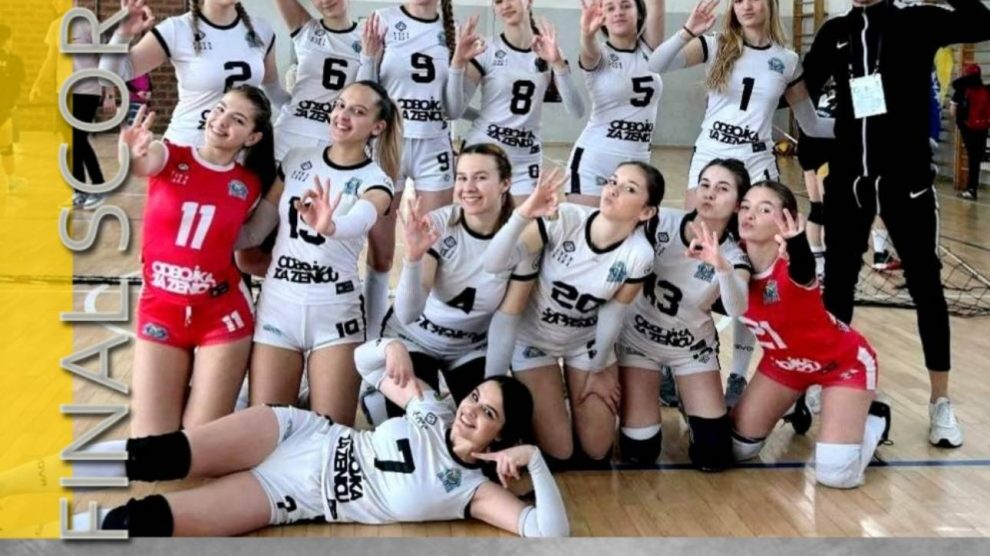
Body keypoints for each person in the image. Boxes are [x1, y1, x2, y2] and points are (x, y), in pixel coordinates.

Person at [92, 341, 568, 538]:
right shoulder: (431, 408)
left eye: (488, 413)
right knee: (163, 455)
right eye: (475, 397)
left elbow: (550, 532)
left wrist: (533, 459)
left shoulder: (473, 492)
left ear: (502, 436)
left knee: (146, 520)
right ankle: (45, 471)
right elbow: (364, 363)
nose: (470, 410)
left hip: (294, 494)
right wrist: (392, 346)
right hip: (296, 435)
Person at [801, 0, 990, 448]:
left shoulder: (917, 20)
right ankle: (830, 377)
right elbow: (800, 88)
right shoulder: (835, 32)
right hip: (849, 180)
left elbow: (983, 22)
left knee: (926, 285)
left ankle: (940, 401)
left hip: (907, 181)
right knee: (839, 285)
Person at [647, 0, 833, 410]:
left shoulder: (787, 60)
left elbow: (812, 123)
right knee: (691, 260)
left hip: (757, 166)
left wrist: (874, 123)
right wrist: (688, 30)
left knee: (752, 273)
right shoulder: (716, 44)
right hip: (710, 163)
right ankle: (671, 357)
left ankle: (738, 374)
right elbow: (654, 65)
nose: (746, 5)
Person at [121, 85, 276, 436]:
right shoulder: (170, 154)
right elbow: (142, 163)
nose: (221, 121)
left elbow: (247, 236)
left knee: (199, 441)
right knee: (151, 441)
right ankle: (210, 399)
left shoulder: (249, 184)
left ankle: (223, 402)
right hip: (161, 308)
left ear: (252, 138)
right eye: (220, 110)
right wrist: (130, 152)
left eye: (237, 120)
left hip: (221, 314)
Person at [483, 162, 659, 468]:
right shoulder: (566, 218)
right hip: (535, 340)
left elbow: (614, 313)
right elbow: (494, 263)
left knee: (597, 452)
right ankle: (544, 407)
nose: (613, 190)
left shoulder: (639, 254)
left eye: (629, 189)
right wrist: (523, 214)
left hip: (585, 343)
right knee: (559, 453)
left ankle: (565, 396)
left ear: (646, 212)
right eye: (612, 181)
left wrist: (598, 368)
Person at [244, 81, 399, 426]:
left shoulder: (377, 180)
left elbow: (361, 219)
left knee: (331, 433)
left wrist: (331, 226)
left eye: (357, 111)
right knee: (268, 427)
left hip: (335, 314)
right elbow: (255, 231)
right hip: (279, 306)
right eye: (340, 105)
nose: (342, 115)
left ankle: (314, 399)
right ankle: (301, 400)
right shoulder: (297, 159)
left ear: (377, 127)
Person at [730, 180, 890, 489]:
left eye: (764, 209)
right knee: (737, 450)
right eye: (746, 207)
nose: (749, 215)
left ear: (787, 219)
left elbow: (803, 270)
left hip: (842, 365)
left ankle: (876, 417)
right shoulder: (732, 259)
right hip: (783, 365)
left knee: (836, 475)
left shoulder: (792, 261)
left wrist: (797, 240)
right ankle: (794, 403)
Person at [361, 143, 532, 426]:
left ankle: (447, 398)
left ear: (505, 183)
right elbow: (408, 313)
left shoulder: (522, 238)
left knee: (491, 428)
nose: (468, 187)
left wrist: (491, 389)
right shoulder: (439, 224)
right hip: (414, 339)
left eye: (480, 177)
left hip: (470, 348)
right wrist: (413, 259)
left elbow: (507, 322)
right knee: (418, 423)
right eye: (462, 178)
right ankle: (378, 394)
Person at [616, 158, 751, 470]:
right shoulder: (659, 221)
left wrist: (722, 267)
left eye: (722, 189)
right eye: (704, 185)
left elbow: (737, 308)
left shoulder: (733, 255)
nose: (709, 193)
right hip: (638, 342)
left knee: (714, 455)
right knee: (639, 452)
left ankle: (687, 395)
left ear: (737, 205)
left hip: (691, 348)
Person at [357, 0, 458, 340]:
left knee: (431, 250)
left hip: (434, 146)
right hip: (390, 143)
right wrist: (368, 56)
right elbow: (365, 93)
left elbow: (453, 105)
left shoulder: (451, 30)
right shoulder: (383, 20)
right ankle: (373, 335)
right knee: (381, 253)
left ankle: (419, 337)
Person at [444, 3, 585, 199]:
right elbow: (453, 111)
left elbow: (577, 111)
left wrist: (558, 64)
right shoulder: (486, 50)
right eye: (499, 1)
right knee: (483, 218)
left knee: (525, 218)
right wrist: (458, 63)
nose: (506, 5)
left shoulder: (549, 50)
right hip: (484, 151)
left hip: (526, 158)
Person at [100, 0, 283, 147]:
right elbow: (108, 76)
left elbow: (274, 92)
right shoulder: (176, 29)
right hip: (187, 147)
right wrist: (122, 34)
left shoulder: (262, 30)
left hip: (238, 152)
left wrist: (299, 108)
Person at [567, 0, 665, 206]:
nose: (618, 12)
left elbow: (657, 4)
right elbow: (588, 52)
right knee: (588, 225)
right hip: (595, 162)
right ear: (602, 18)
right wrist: (586, 34)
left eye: (626, 6)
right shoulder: (599, 54)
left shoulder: (650, 50)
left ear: (640, 13)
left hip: (638, 163)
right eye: (610, 8)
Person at [31, 0, 115, 209]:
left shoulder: (87, 22)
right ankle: (79, 191)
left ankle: (98, 187)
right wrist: (38, 84)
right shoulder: (55, 26)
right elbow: (51, 59)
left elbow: (106, 59)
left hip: (87, 91)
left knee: (78, 140)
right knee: (70, 143)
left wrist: (109, 93)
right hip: (63, 92)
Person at [273, 0, 363, 161]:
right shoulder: (305, 29)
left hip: (333, 137)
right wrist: (287, 105)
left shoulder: (368, 37)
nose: (325, 1)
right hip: (289, 130)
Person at [951, 63, 989, 200]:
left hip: (968, 127)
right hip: (983, 127)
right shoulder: (985, 89)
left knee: (972, 157)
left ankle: (971, 190)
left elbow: (952, 111)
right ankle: (972, 188)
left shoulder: (960, 88)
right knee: (976, 158)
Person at [0, 24, 25, 193]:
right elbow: (18, 82)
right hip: (4, 109)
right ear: (7, 40)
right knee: (6, 146)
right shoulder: (14, 61)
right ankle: (11, 181)